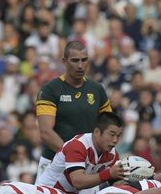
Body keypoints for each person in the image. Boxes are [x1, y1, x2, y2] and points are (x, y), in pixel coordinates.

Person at [36, 41, 112, 176]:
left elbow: (108, 127)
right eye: (75, 61)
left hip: (86, 166)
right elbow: (46, 132)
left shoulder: (97, 89)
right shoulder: (50, 90)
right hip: (54, 163)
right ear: (64, 61)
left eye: (84, 60)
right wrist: (73, 156)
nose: (80, 66)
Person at [35, 112, 125, 194]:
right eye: (112, 135)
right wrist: (109, 174)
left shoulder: (112, 154)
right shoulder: (78, 145)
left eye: (118, 136)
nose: (115, 140)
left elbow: (116, 183)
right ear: (97, 131)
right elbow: (78, 181)